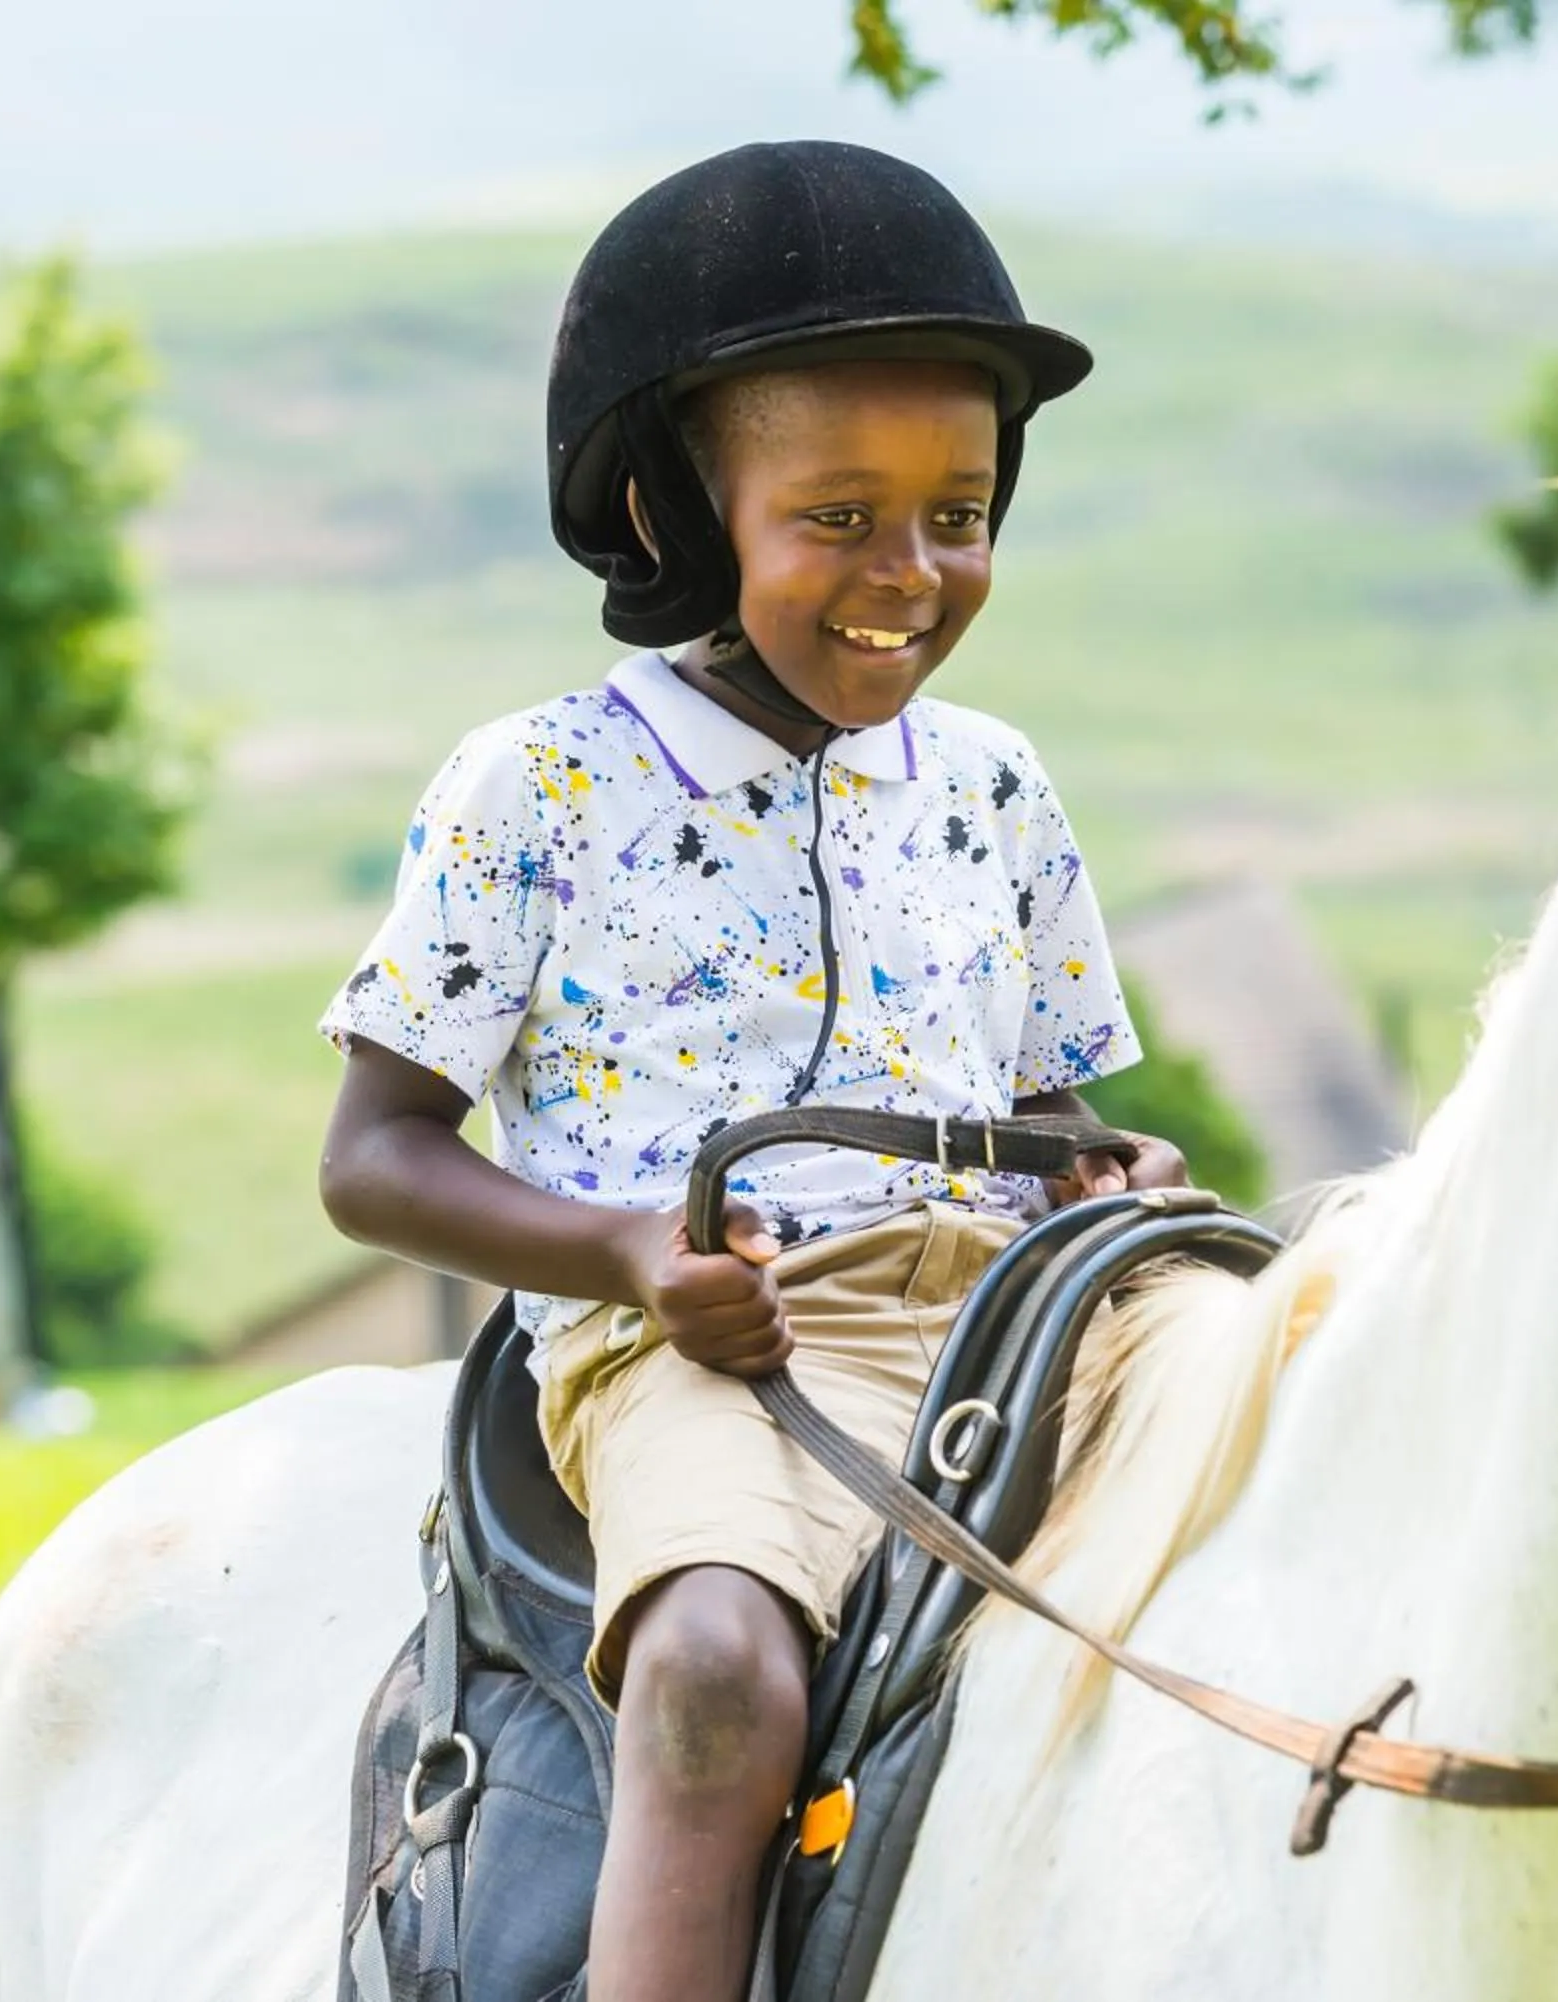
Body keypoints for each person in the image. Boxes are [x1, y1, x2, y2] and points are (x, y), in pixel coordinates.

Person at [314, 140, 1188, 2002]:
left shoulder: (996, 786)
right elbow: (374, 1158)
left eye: (959, 513)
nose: (914, 572)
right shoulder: (536, 787)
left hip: (1013, 1322)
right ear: (688, 522)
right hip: (722, 1343)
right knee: (718, 1657)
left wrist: (1099, 1178)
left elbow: (1049, 1108)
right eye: (841, 517)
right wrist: (634, 1256)